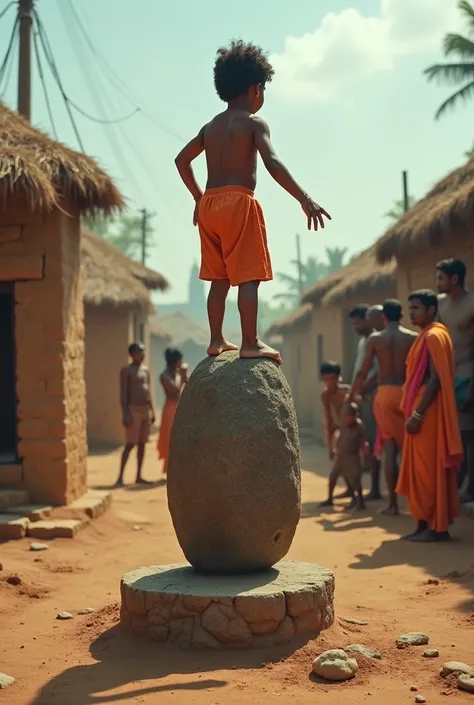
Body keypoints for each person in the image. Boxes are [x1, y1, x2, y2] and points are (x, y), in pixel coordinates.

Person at [174, 40, 331, 364]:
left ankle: (216, 340)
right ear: (256, 88)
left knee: (218, 279)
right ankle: (249, 342)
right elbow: (272, 163)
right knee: (248, 277)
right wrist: (305, 198)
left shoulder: (210, 127)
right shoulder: (254, 123)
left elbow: (181, 161)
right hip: (239, 203)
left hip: (210, 206)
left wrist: (198, 198)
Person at [397, 290, 463, 542]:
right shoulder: (426, 335)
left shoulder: (434, 336)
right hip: (421, 411)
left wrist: (417, 414)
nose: (411, 312)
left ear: (431, 310)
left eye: (416, 308)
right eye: (410, 308)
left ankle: (437, 527)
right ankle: (424, 523)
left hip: (427, 412)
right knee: (420, 469)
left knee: (428, 470)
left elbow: (435, 380)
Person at [349, 299, 417, 515]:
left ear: (384, 318)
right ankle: (417, 501)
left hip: (385, 393)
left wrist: (352, 393)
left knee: (389, 449)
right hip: (408, 394)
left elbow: (363, 371)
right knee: (412, 447)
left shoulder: (376, 339)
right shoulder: (413, 338)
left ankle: (393, 505)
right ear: (402, 315)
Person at [436, 258, 474, 503]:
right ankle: (456, 486)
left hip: (469, 374)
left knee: (469, 434)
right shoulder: (440, 305)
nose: (437, 282)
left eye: (440, 278)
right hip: (446, 377)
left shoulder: (472, 305)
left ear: (455, 279)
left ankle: (470, 489)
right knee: (454, 434)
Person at [349, 305, 384, 500]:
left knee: (373, 443)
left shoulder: (376, 340)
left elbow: (376, 372)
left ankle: (376, 489)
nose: (355, 326)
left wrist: (361, 389)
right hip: (364, 396)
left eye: (357, 322)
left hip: (373, 396)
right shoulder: (364, 342)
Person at [116, 342, 155, 487]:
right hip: (133, 410)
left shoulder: (145, 370)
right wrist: (125, 413)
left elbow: (148, 391)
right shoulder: (126, 371)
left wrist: (152, 410)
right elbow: (123, 393)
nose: (142, 354)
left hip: (145, 409)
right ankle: (120, 477)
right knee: (130, 444)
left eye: (143, 351)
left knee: (142, 444)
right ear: (132, 354)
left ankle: (139, 475)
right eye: (139, 352)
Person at [320, 402, 368, 511]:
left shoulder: (358, 427)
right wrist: (334, 449)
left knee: (355, 480)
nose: (345, 418)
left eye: (348, 415)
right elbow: (339, 436)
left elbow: (363, 443)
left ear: (355, 416)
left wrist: (365, 456)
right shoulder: (344, 425)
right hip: (341, 457)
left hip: (352, 458)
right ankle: (330, 499)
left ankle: (360, 502)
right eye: (344, 415)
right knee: (333, 477)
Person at [319, 361, 355, 505]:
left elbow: (356, 414)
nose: (329, 382)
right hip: (338, 430)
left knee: (349, 463)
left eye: (332, 378)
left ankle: (354, 495)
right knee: (340, 461)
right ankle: (350, 490)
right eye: (325, 379)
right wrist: (330, 448)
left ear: (339, 377)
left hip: (351, 431)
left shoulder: (347, 392)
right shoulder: (325, 395)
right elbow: (328, 419)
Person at [157, 348, 187, 476]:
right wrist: (182, 377)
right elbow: (174, 391)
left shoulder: (178, 374)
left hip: (179, 407)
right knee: (169, 437)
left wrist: (184, 376)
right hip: (170, 409)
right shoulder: (164, 376)